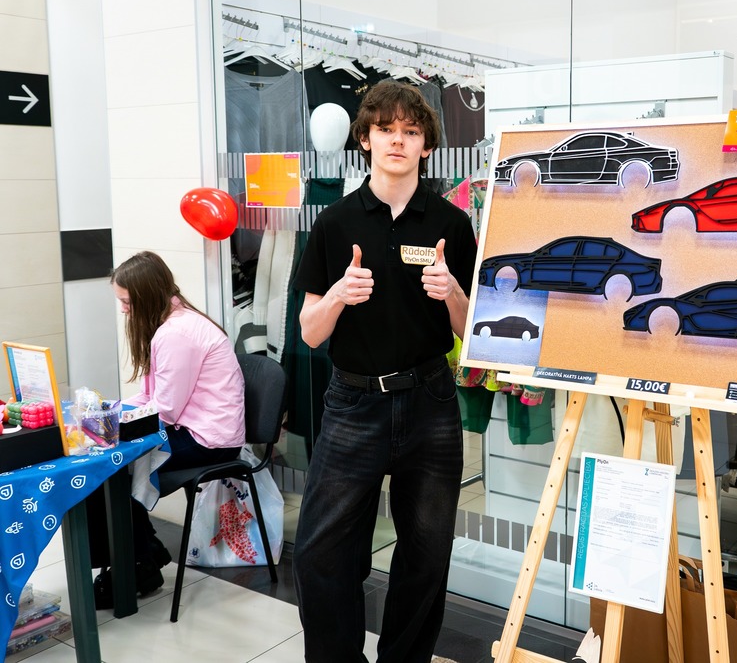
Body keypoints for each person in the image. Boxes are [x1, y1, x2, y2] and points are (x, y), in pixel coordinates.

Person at [291, 80, 478, 662]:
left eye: (411, 131)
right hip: (353, 404)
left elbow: (471, 332)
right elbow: (310, 331)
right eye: (386, 130)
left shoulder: (452, 224)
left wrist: (452, 293)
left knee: (426, 553)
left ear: (427, 146)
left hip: (430, 404)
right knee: (320, 552)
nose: (398, 140)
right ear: (365, 139)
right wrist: (338, 295)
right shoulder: (335, 223)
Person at [89, 251, 246, 603]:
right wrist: (110, 410)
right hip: (193, 427)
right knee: (110, 460)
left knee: (112, 468)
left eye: (127, 302)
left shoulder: (176, 333)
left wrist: (115, 422)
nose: (123, 310)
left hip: (209, 439)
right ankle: (145, 554)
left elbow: (166, 411)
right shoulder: (171, 322)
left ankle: (138, 563)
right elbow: (151, 396)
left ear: (146, 297)